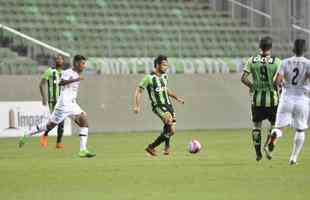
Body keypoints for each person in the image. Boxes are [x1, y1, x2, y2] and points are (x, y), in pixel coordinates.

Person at [19, 55, 96, 158]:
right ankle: (27, 134)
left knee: (84, 121)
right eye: (82, 64)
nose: (84, 66)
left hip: (72, 104)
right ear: (76, 63)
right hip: (63, 105)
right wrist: (75, 79)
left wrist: (76, 78)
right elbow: (61, 83)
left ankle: (82, 150)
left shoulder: (76, 73)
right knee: (49, 126)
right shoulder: (68, 72)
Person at [266, 39, 310, 165]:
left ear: (293, 49)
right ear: (305, 50)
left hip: (286, 99)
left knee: (279, 127)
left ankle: (275, 135)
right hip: (302, 99)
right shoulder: (308, 63)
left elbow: (277, 81)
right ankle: (293, 158)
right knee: (300, 130)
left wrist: (283, 85)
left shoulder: (285, 62)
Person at [133, 55, 184, 156]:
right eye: (164, 65)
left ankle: (155, 147)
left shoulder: (165, 76)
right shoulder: (148, 78)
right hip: (158, 106)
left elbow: (165, 89)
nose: (166, 67)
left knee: (172, 131)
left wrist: (176, 97)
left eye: (167, 65)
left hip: (168, 104)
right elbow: (138, 91)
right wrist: (137, 106)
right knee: (168, 120)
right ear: (157, 65)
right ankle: (158, 147)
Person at [241, 36, 282, 161]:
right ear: (270, 47)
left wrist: (253, 86)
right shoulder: (277, 62)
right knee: (275, 125)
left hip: (257, 99)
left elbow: (243, 78)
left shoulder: (252, 60)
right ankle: (269, 145)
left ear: (260, 46)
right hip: (273, 100)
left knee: (256, 126)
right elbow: (278, 82)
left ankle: (258, 152)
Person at [39, 54, 65, 148]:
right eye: (57, 59)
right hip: (53, 100)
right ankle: (45, 135)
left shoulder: (64, 73)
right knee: (56, 120)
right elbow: (41, 84)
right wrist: (44, 97)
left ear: (63, 61)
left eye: (60, 59)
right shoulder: (50, 71)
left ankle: (58, 143)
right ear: (55, 61)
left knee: (61, 121)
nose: (59, 60)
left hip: (62, 101)